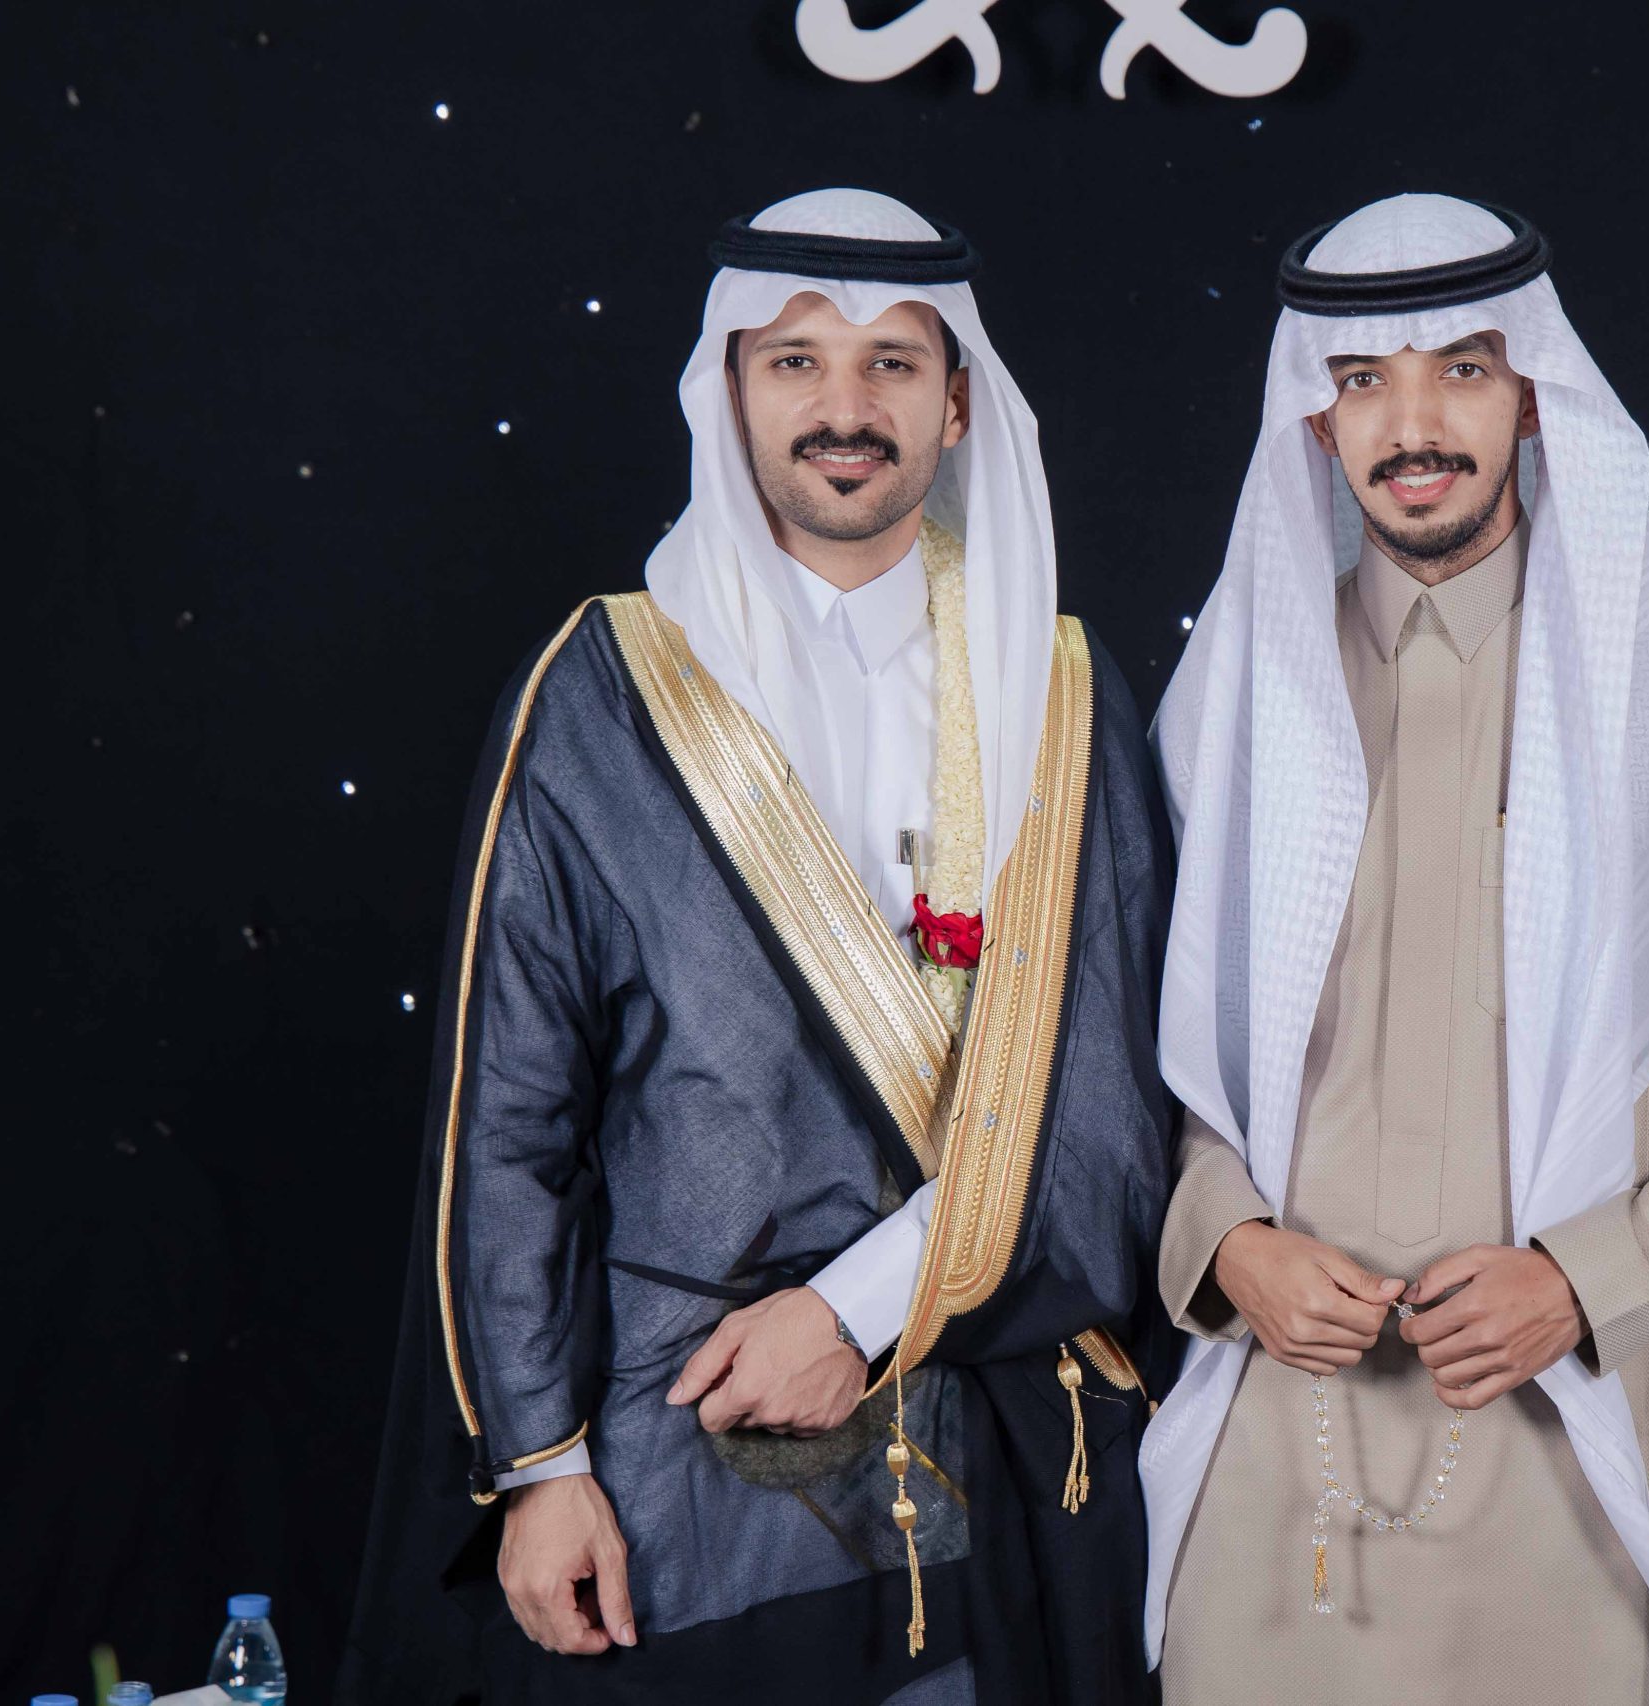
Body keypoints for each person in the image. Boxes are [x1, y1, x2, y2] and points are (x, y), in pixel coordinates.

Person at [340, 187, 1175, 1706]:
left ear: (958, 404)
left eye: (891, 363)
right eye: (795, 361)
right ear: (727, 391)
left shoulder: (1060, 691)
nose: (845, 409)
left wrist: (854, 1310)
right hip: (677, 1461)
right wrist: (540, 1466)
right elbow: (508, 1122)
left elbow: (1113, 1131)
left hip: (992, 1448)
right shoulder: (598, 692)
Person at [1140, 192, 1649, 1706]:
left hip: (1573, 1443)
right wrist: (1222, 1243)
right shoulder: (1237, 692)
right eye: (1366, 381)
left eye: (1462, 371)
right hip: (1279, 1449)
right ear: (1317, 419)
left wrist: (1592, 1279)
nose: (1414, 426)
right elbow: (1138, 1056)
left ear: (1534, 392)